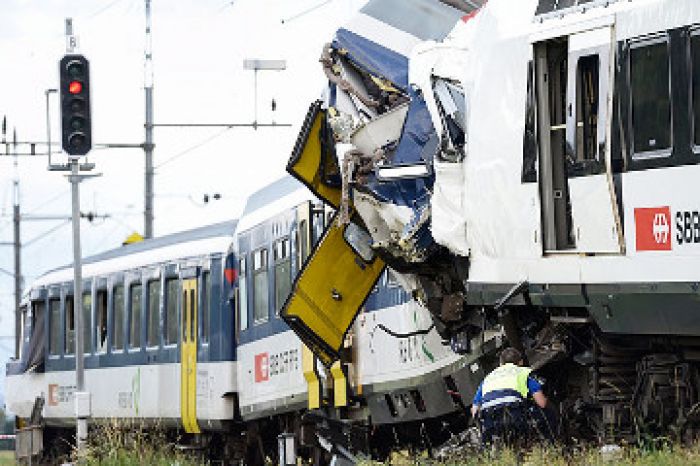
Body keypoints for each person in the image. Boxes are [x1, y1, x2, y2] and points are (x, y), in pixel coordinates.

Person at [471, 347, 548, 446]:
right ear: (520, 362)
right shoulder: (523, 373)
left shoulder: (488, 378)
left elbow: (474, 411)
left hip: (490, 420)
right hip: (513, 414)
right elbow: (542, 403)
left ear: (500, 364)